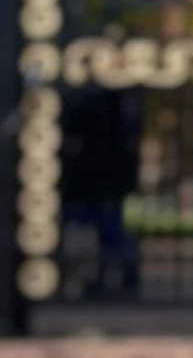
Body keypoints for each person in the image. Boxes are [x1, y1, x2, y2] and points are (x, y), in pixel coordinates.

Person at [58, 86, 142, 295]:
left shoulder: (96, 98)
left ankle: (113, 278)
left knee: (110, 231)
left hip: (97, 178)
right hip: (102, 179)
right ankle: (115, 278)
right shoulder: (120, 99)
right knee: (111, 232)